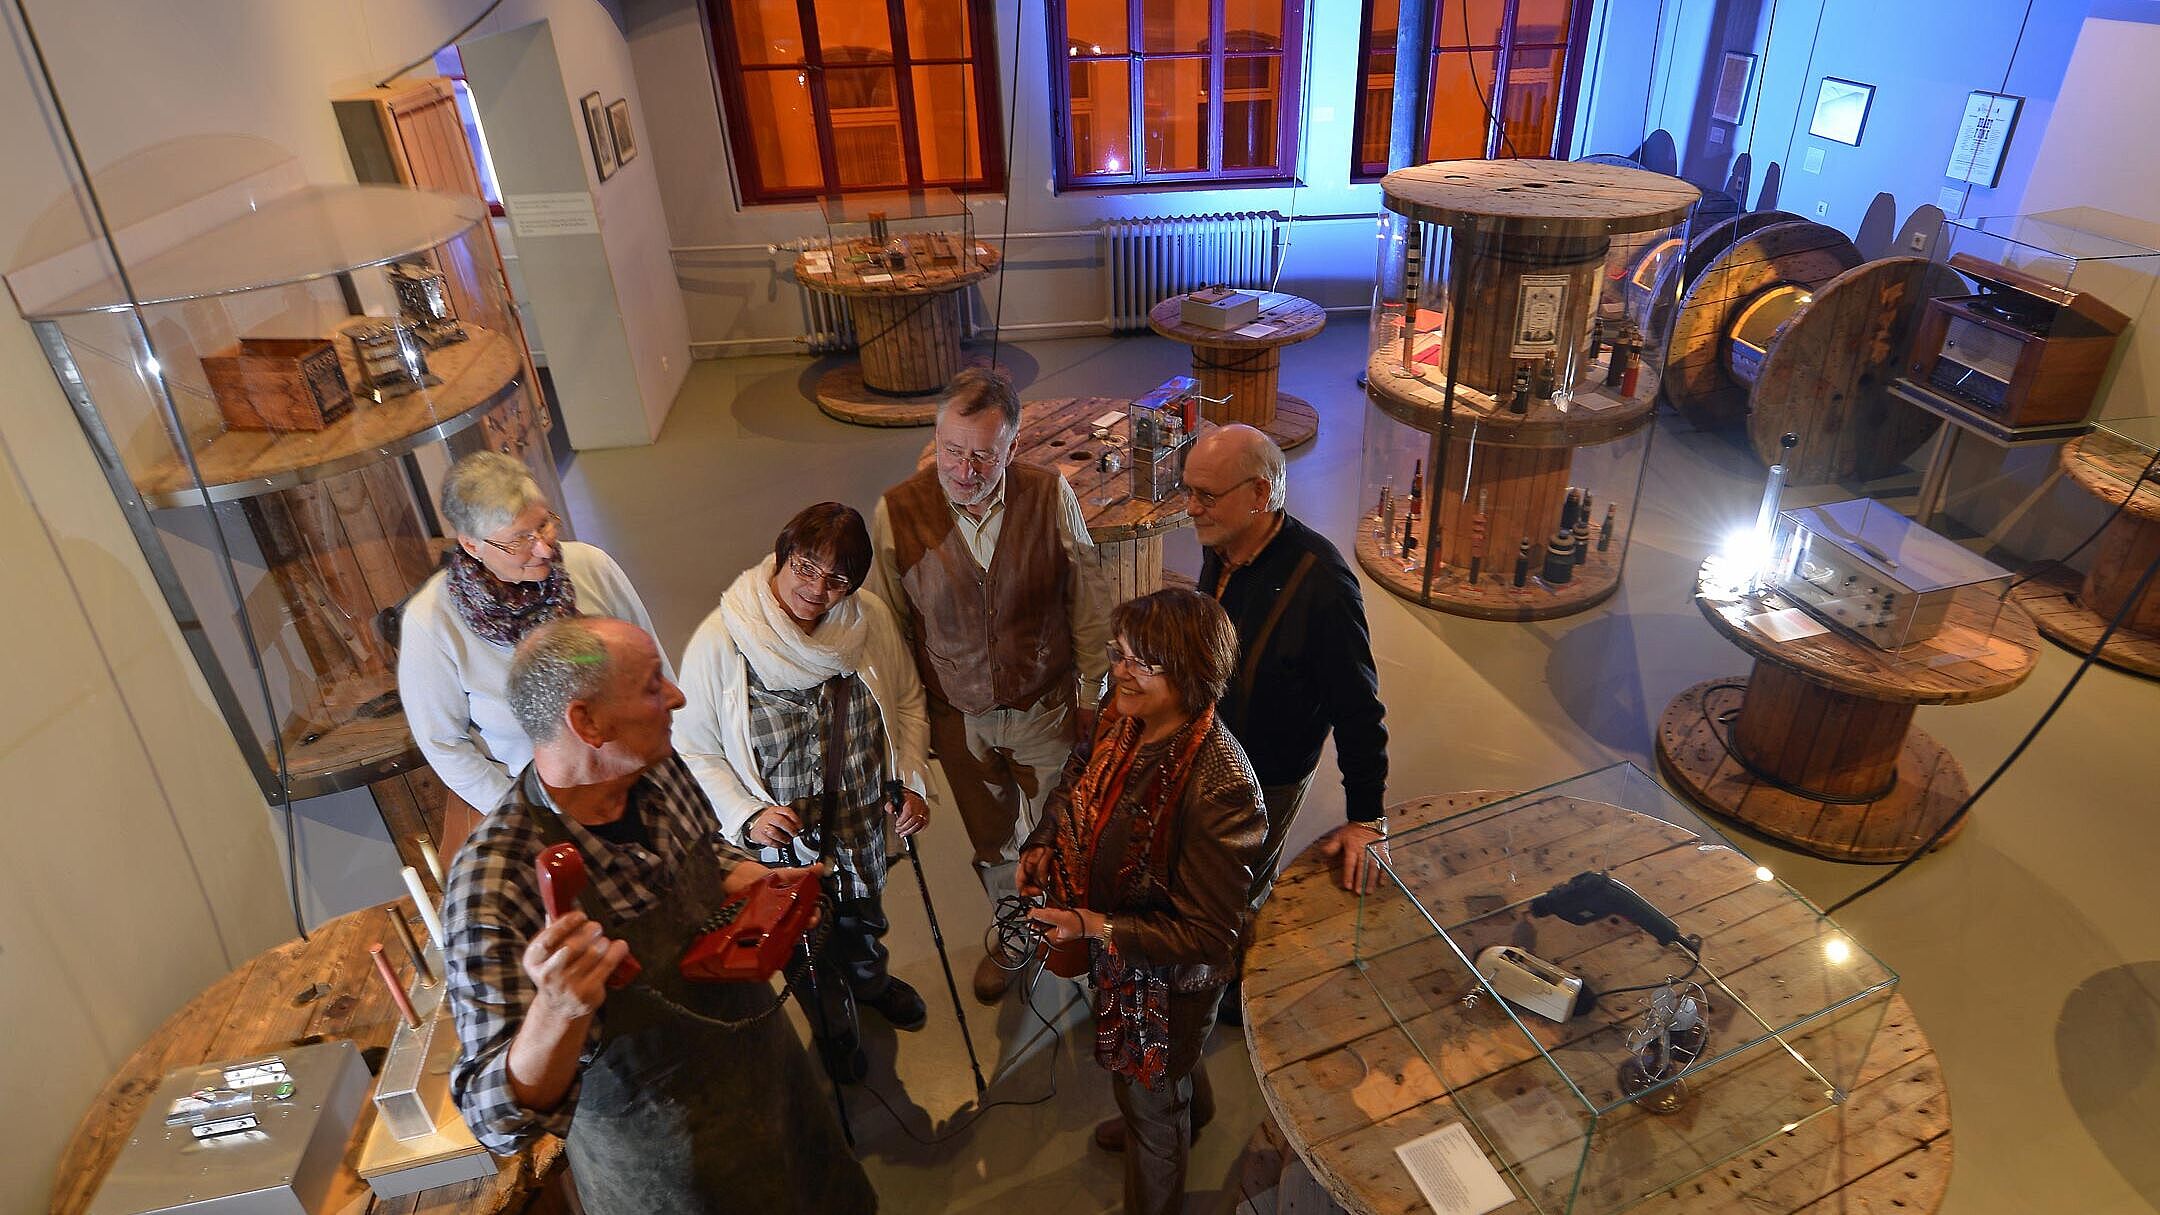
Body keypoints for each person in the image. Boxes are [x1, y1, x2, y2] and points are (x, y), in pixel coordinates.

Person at [442, 616, 874, 1214]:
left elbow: (703, 850)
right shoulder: (493, 884)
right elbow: (492, 1121)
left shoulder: (655, 765)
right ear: (587, 722)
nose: (676, 696)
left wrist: (745, 875)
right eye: (651, 686)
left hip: (774, 1092)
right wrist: (556, 1010)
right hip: (670, 1176)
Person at [866, 367, 1111, 1004]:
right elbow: (890, 629)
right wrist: (908, 736)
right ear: (935, 435)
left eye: (983, 455)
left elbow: (1087, 602)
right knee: (992, 840)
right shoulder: (896, 512)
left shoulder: (1050, 496)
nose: (965, 470)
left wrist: (1091, 697)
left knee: (1068, 827)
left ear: (1012, 446)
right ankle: (1015, 931)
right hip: (957, 718)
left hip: (1045, 706)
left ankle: (1072, 931)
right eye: (952, 450)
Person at [1020, 589, 1265, 1215]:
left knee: (1150, 1109)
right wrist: (1048, 838)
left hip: (1168, 980)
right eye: (1119, 654)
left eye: (1140, 662)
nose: (1120, 672)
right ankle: (1190, 1106)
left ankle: (1160, 1132)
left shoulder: (1220, 787)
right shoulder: (1123, 712)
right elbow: (1079, 771)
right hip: (1119, 948)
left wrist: (1094, 926)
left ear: (1189, 674)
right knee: (1168, 1079)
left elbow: (1208, 935)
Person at [673, 502, 933, 1083]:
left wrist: (911, 782)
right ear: (784, 554)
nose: (817, 588)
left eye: (837, 578)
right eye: (806, 567)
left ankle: (870, 984)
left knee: (864, 921)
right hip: (783, 848)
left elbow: (909, 704)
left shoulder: (868, 622)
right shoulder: (724, 638)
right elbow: (691, 748)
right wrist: (747, 814)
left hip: (860, 826)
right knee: (806, 951)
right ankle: (835, 1028)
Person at [1180, 425, 1390, 1018]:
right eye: (1188, 490)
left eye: (1207, 495)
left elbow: (1358, 707)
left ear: (1261, 493)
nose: (1191, 508)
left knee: (1237, 890)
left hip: (1265, 775)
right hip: (1207, 751)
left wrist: (1366, 817)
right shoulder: (1222, 542)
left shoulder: (1322, 585)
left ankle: (1223, 994)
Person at [400, 451, 669, 836]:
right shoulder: (431, 623)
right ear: (472, 545)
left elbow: (653, 666)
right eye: (519, 540)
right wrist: (532, 818)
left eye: (544, 525)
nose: (544, 548)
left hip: (646, 777)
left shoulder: (591, 566)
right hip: (549, 811)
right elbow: (445, 745)